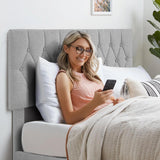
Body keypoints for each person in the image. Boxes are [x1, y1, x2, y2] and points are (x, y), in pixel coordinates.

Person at [56, 30, 123, 124]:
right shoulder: (64, 77)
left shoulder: (92, 76)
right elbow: (69, 119)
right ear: (66, 48)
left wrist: (119, 102)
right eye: (79, 48)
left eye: (88, 50)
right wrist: (95, 103)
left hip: (114, 113)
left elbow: (109, 100)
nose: (84, 54)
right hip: (100, 120)